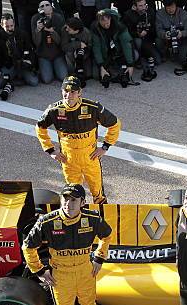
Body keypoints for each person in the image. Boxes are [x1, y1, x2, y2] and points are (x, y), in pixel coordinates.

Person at [22, 183, 113, 305]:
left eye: (74, 200)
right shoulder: (47, 221)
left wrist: (99, 258)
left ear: (82, 202)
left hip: (85, 271)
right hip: (61, 275)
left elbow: (107, 236)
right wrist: (39, 270)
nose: (68, 204)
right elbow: (27, 246)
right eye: (65, 198)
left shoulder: (93, 218)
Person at [35, 75, 121, 204]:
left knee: (98, 194)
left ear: (80, 92)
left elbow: (115, 124)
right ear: (61, 90)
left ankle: (102, 218)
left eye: (73, 92)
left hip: (90, 158)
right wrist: (50, 150)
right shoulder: (54, 110)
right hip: (69, 161)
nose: (68, 95)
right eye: (66, 91)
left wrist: (105, 146)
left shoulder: (93, 108)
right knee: (74, 195)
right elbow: (40, 127)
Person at [0, 13, 39, 92]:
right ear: (1, 25)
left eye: (11, 26)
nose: (10, 28)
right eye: (7, 26)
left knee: (34, 82)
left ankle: (15, 78)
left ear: (14, 24)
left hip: (22, 63)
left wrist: (30, 61)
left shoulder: (22, 34)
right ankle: (14, 78)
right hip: (9, 65)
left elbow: (30, 50)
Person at [91, 9, 135, 88]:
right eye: (103, 23)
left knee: (135, 55)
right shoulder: (95, 28)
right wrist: (101, 66)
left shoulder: (120, 27)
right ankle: (111, 72)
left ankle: (118, 72)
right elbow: (96, 48)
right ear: (98, 21)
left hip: (119, 53)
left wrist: (130, 64)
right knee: (96, 75)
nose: (105, 25)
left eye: (107, 22)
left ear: (110, 18)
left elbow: (127, 45)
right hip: (106, 55)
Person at [123, 0, 160, 80]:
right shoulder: (128, 14)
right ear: (135, 6)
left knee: (158, 61)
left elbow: (154, 28)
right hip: (136, 40)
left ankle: (147, 56)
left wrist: (147, 31)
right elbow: (127, 32)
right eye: (140, 6)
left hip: (148, 39)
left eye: (144, 5)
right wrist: (138, 34)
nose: (143, 7)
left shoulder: (150, 11)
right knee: (138, 41)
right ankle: (140, 59)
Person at [31, 0, 67, 83]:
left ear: (51, 7)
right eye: (42, 6)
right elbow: (36, 43)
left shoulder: (58, 17)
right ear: (39, 9)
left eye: (47, 5)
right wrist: (38, 30)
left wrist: (52, 31)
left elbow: (60, 41)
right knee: (47, 79)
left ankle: (56, 67)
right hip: (43, 55)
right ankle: (48, 68)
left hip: (57, 54)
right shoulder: (35, 19)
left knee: (63, 77)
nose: (45, 7)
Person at [156, 0, 187, 73]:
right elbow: (158, 30)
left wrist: (182, 33)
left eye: (172, 7)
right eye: (168, 8)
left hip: (180, 38)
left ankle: (175, 53)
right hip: (167, 38)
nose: (170, 10)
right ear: (164, 6)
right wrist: (164, 34)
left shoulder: (184, 13)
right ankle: (164, 53)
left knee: (182, 59)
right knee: (158, 41)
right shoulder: (159, 14)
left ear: (176, 5)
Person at [61, 16, 93, 83]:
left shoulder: (86, 33)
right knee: (68, 52)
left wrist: (81, 56)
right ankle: (73, 70)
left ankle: (80, 68)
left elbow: (90, 48)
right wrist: (78, 44)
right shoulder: (64, 30)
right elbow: (64, 47)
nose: (67, 29)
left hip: (84, 55)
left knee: (89, 74)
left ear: (76, 30)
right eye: (67, 27)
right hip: (71, 54)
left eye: (69, 29)